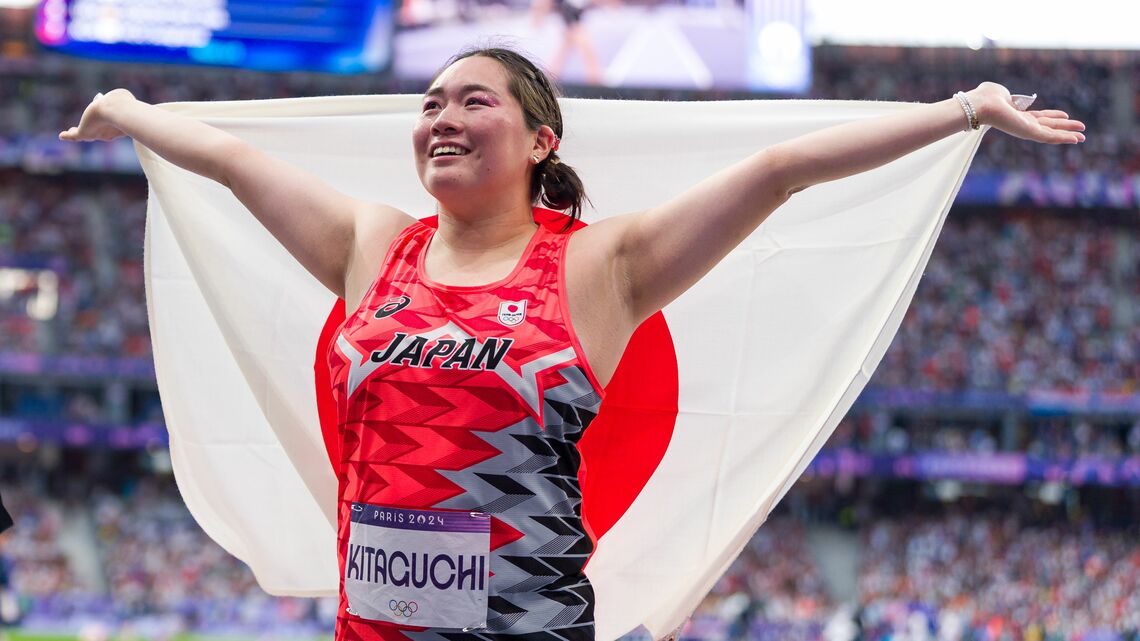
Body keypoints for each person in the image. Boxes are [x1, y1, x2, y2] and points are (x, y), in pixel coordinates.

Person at [59, 47, 1083, 640]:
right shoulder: (373, 246)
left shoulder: (601, 267)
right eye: (429, 103)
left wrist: (962, 110)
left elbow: (779, 170)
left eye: (473, 99)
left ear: (541, 139)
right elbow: (234, 161)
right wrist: (133, 110)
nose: (441, 117)